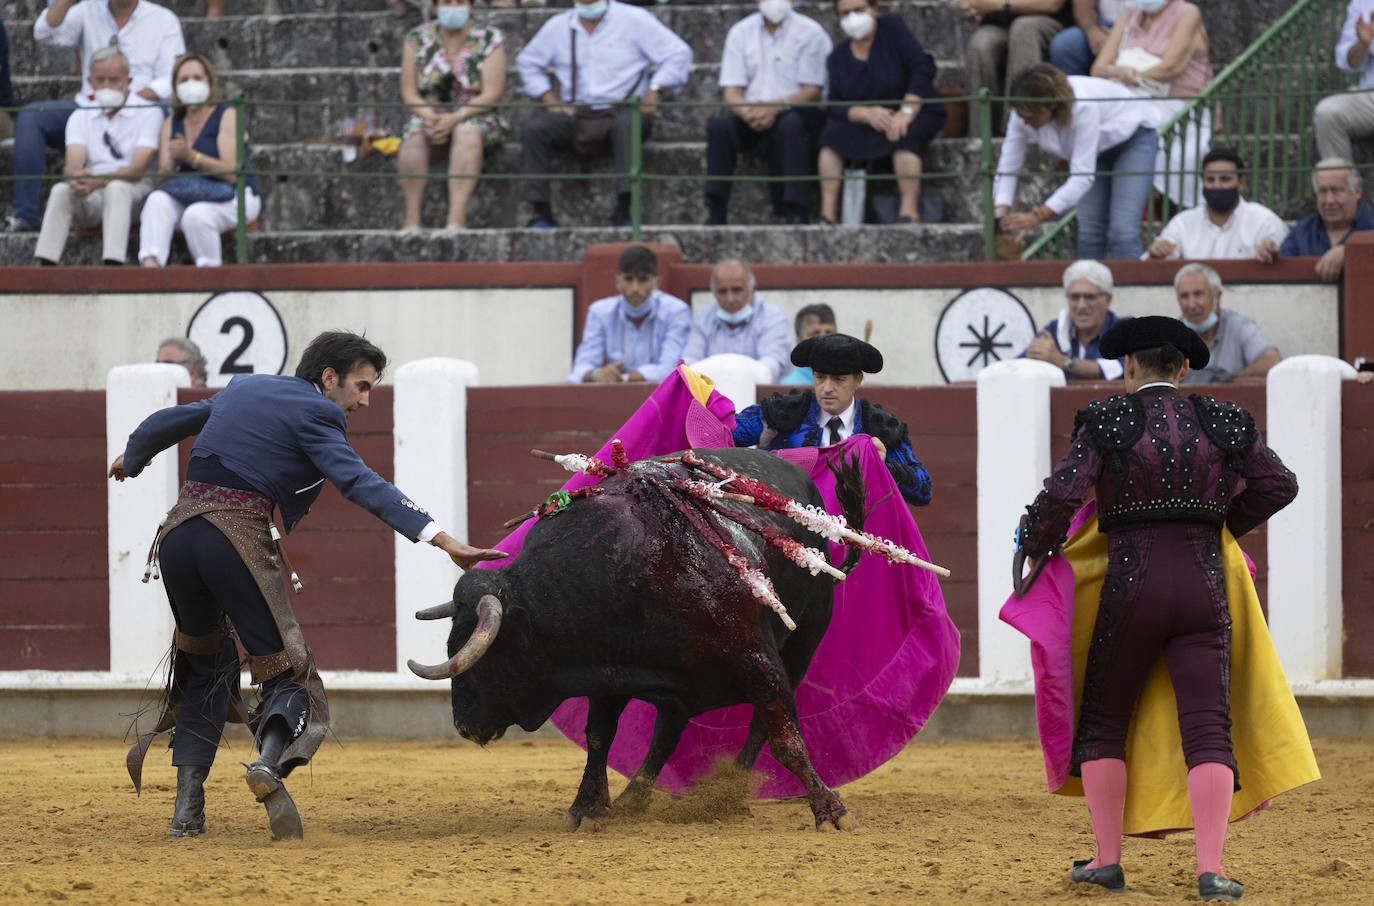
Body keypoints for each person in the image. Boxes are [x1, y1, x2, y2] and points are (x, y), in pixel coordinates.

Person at [108, 331, 507, 840]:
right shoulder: (321, 414)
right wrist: (440, 537)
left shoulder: (245, 389)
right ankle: (268, 767)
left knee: (207, 666)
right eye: (360, 387)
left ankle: (187, 808)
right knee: (288, 674)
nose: (363, 401)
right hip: (232, 537)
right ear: (328, 377)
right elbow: (359, 482)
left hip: (177, 537)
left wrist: (133, 458)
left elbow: (167, 422)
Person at [1015, 315, 1298, 901]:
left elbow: (1064, 493)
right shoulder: (1223, 419)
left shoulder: (1106, 420)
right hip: (1203, 586)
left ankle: (1107, 860)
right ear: (1186, 367)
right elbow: (1279, 485)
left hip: (1131, 585)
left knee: (1103, 722)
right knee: (1207, 726)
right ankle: (1211, 869)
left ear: (1130, 367)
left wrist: (1035, 543)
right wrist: (1222, 525)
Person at [7, 0, 183, 234]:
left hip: (140, 111)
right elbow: (44, 32)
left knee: (161, 116)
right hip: (89, 108)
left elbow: (169, 80)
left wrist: (126, 100)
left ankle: (153, 207)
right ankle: (26, 217)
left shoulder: (164, 19)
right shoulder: (87, 9)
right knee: (32, 117)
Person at [515, 0, 692, 228]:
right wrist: (549, 98)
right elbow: (527, 62)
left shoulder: (634, 19)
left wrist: (654, 89)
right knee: (534, 129)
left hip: (624, 109)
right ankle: (541, 212)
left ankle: (625, 209)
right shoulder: (557, 26)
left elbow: (679, 53)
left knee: (628, 124)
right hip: (577, 113)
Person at [732, 332, 932, 506]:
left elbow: (923, 490)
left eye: (839, 379)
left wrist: (886, 465)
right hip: (787, 533)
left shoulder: (880, 427)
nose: (827, 388)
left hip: (854, 539)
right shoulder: (781, 413)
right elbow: (723, 435)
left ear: (858, 380)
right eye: (820, 377)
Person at [993, 64, 1158, 259]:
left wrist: (1037, 216)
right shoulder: (1021, 115)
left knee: (1123, 230)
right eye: (1021, 116)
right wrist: (1000, 214)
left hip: (1132, 139)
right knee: (1089, 232)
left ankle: (1132, 287)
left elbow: (1082, 178)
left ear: (1051, 105)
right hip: (1095, 151)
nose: (1025, 122)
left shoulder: (1083, 106)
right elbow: (1008, 166)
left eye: (1031, 116)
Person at [818, 0, 946, 225]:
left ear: (874, 9)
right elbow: (834, 104)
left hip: (912, 113)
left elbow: (922, 67)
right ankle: (827, 214)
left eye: (859, 10)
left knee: (903, 133)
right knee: (831, 136)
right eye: (845, 13)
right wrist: (865, 113)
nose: (853, 18)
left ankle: (908, 212)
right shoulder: (837, 57)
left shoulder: (894, 30)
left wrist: (907, 111)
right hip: (868, 121)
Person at [705, 0, 831, 226]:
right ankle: (716, 209)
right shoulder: (740, 32)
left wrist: (775, 107)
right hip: (752, 113)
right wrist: (748, 114)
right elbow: (732, 92)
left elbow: (812, 91)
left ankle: (795, 209)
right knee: (719, 127)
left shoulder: (811, 32)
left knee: (791, 125)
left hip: (794, 111)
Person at [33, 48, 160, 266]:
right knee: (61, 190)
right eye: (100, 80)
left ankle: (113, 264)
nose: (107, 86)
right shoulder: (80, 116)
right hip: (94, 194)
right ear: (90, 82)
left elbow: (138, 169)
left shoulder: (148, 113)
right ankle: (46, 265)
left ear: (128, 81)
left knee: (117, 188)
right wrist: (75, 180)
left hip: (137, 194)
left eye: (114, 80)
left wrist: (97, 182)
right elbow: (72, 164)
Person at [136, 54, 259, 268]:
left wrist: (192, 157)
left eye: (197, 78)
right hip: (191, 193)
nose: (190, 84)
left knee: (196, 215)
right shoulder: (170, 123)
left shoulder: (227, 115)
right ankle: (151, 266)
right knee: (157, 200)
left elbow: (231, 173)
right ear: (175, 87)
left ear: (209, 83)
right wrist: (172, 162)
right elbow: (162, 181)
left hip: (233, 196)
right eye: (183, 80)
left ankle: (209, 275)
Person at [396, 0, 508, 231]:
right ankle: (411, 221)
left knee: (467, 133)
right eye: (447, 2)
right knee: (413, 139)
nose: (454, 6)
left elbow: (492, 94)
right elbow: (409, 91)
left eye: (461, 1)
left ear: (471, 6)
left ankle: (456, 221)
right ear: (436, 8)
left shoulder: (489, 38)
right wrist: (429, 117)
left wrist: (456, 117)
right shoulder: (416, 38)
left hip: (475, 114)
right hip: (431, 115)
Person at [1088, 0, 1212, 208]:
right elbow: (1098, 68)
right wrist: (1120, 72)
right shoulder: (1129, 14)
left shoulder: (1188, 14)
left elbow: (1169, 68)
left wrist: (1131, 76)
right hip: (1130, 98)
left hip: (1174, 102)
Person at [567, 245, 692, 384]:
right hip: (614, 396)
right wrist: (598, 374)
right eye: (628, 279)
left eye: (643, 279)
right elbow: (579, 369)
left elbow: (671, 369)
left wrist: (623, 378)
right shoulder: (599, 312)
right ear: (618, 281)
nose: (635, 288)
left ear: (656, 282)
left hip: (662, 398)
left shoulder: (677, 311)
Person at [1146, 147, 1288, 260]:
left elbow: (1278, 251)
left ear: (1241, 182)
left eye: (1225, 179)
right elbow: (1159, 256)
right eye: (1210, 180)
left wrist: (1269, 250)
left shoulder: (1264, 222)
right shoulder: (1182, 223)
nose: (1217, 185)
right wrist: (1158, 252)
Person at [957, 0, 1074, 132]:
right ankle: (981, 138)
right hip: (998, 23)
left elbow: (1052, 4)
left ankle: (1017, 128)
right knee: (980, 45)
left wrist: (1000, 4)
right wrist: (969, 5)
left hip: (1046, 20)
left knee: (1023, 30)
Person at [1257, 157, 1374, 283]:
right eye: (1322, 191)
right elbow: (1282, 273)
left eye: (1337, 191)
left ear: (1357, 191)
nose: (1329, 200)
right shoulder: (1302, 230)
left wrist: (1351, 253)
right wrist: (1270, 254)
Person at [682, 259, 793, 380]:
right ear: (714, 293)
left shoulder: (773, 318)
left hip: (761, 396)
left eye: (736, 290)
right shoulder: (702, 318)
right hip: (712, 395)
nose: (730, 298)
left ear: (752, 289)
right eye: (722, 291)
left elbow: (770, 367)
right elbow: (689, 364)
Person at [1174, 263, 1280, 383]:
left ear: (1217, 296)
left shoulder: (1238, 325)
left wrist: (1228, 379)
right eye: (1184, 296)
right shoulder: (1172, 335)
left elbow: (1273, 362)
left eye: (1198, 294)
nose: (1191, 305)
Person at [1022, 259, 1127, 380]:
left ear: (1108, 300)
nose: (1081, 305)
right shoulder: (1054, 331)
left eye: (1089, 297)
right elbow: (1018, 366)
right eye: (1075, 297)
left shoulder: (1126, 331)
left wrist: (1062, 361)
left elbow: (1122, 367)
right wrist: (1033, 355)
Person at [1313, 2, 1374, 166]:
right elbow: (1348, 62)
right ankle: (1342, 186)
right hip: (1370, 96)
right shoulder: (1363, 4)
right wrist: (1363, 43)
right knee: (1328, 113)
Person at [1049, 0, 1125, 76]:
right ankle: (1074, 86)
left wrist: (1117, 35)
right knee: (1064, 45)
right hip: (1102, 25)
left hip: (1131, 27)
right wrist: (1092, 31)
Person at [780, 303, 838, 384]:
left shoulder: (848, 383)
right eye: (815, 334)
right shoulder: (788, 388)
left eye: (829, 333)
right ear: (798, 341)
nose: (824, 340)